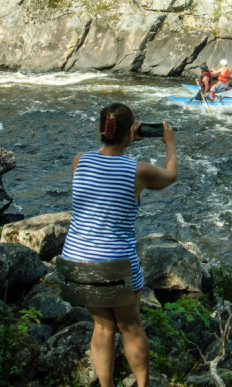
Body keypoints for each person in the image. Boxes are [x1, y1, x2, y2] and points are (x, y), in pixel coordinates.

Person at [60, 103, 178, 387]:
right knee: (130, 326)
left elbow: (107, 169)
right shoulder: (139, 171)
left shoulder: (80, 160)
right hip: (114, 265)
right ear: (130, 132)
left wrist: (124, 138)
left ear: (101, 129)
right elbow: (170, 175)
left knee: (102, 326)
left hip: (74, 262)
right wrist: (169, 143)